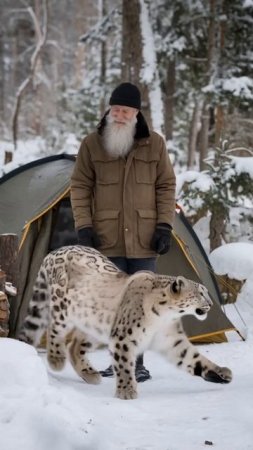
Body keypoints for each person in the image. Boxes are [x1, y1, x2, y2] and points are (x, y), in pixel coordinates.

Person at [70, 82, 176, 382]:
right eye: (115, 109)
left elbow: (166, 185)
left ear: (136, 113)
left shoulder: (155, 144)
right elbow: (79, 186)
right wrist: (84, 227)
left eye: (125, 110)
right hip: (107, 237)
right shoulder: (92, 144)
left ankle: (137, 364)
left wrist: (165, 226)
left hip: (145, 238)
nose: (118, 115)